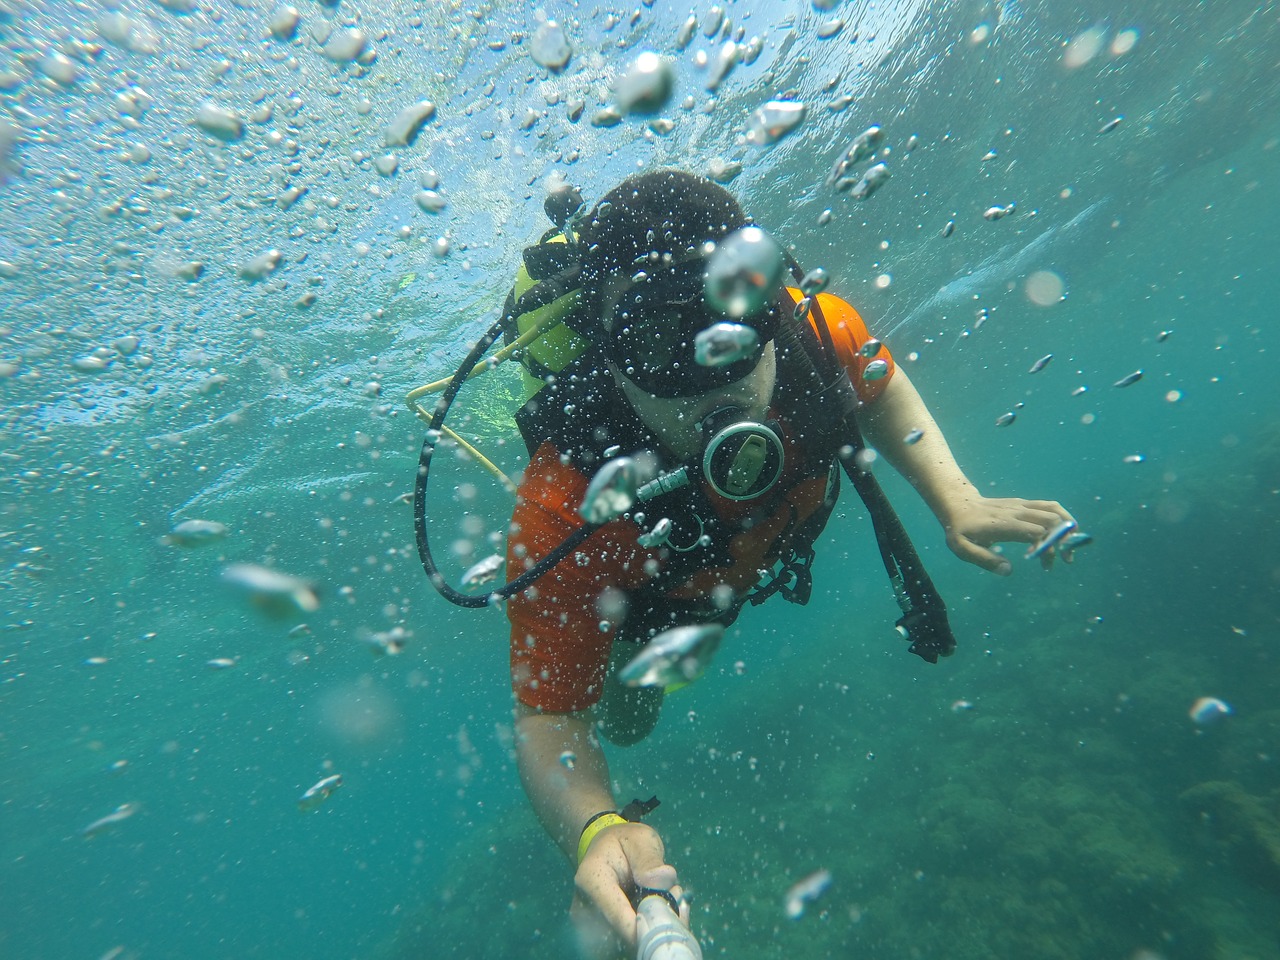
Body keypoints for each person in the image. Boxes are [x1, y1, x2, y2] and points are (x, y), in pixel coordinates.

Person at [501, 170, 1075, 956]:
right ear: (610, 362)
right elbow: (551, 718)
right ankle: (646, 672)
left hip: (742, 562)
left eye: (736, 320)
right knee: (628, 716)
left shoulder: (817, 332)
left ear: (773, 305)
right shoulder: (563, 507)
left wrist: (957, 499)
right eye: (661, 346)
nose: (717, 376)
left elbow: (882, 387)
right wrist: (597, 827)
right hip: (651, 607)